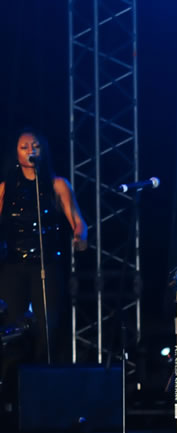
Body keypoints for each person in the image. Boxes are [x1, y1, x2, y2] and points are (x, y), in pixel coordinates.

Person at [0, 128, 87, 363]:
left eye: (34, 146)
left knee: (47, 324)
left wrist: (80, 235)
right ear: (16, 153)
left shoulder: (58, 185)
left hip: (47, 264)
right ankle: (13, 384)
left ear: (42, 150)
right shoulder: (5, 188)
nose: (30, 151)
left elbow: (78, 221)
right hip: (14, 264)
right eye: (24, 147)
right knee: (14, 326)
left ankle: (42, 374)